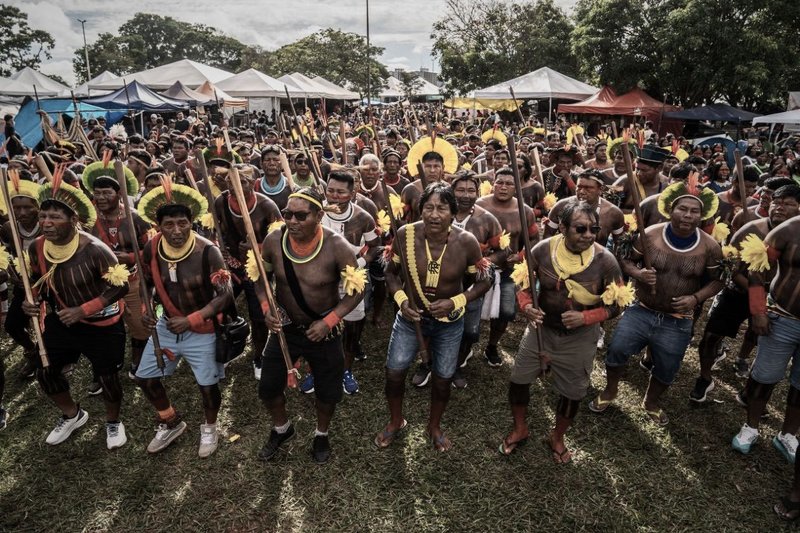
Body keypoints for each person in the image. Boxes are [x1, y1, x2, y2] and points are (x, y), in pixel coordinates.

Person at [501, 201, 629, 462]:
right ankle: (520, 428)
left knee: (573, 393)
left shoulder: (606, 261)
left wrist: (586, 317)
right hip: (541, 331)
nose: (589, 235)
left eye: (594, 229)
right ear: (562, 228)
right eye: (580, 229)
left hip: (580, 338)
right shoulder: (541, 251)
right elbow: (523, 286)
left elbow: (618, 305)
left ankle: (557, 437)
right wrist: (526, 306)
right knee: (518, 381)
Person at [590, 178, 723, 425]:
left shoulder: (710, 247)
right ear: (670, 209)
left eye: (694, 211)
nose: (687, 215)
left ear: (702, 215)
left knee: (668, 366)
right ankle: (610, 390)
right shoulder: (649, 235)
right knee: (617, 349)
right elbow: (626, 260)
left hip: (678, 319)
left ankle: (651, 401)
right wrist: (638, 273)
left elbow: (717, 281)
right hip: (641, 309)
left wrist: (695, 298)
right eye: (682, 209)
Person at [376, 183, 491, 451]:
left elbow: (483, 282)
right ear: (420, 210)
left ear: (453, 212)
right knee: (394, 372)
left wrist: (456, 301)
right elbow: (390, 273)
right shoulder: (404, 235)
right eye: (428, 207)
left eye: (442, 208)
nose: (434, 215)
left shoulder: (466, 242)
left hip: (449, 323)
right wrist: (402, 301)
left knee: (443, 377)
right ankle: (396, 421)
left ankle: (434, 426)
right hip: (409, 319)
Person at [257, 187, 366, 464]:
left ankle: (321, 434)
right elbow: (259, 277)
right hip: (285, 329)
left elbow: (357, 291)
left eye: (300, 216)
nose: (292, 221)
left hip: (324, 332)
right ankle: (282, 429)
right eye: (287, 214)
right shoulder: (273, 240)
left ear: (319, 215)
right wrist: (267, 308)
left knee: (328, 392)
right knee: (268, 387)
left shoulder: (337, 246)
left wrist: (329, 322)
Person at [23, 180, 130, 449]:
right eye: (43, 216)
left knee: (107, 377)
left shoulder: (95, 249)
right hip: (62, 322)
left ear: (73, 219)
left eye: (55, 217)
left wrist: (84, 309)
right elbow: (34, 280)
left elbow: (121, 286)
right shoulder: (36, 247)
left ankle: (113, 422)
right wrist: (31, 302)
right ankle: (72, 415)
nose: (46, 222)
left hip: (103, 323)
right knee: (45, 371)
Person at [134, 181, 234, 458]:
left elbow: (226, 295)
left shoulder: (207, 251)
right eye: (169, 224)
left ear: (192, 222)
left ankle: (210, 427)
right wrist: (148, 310)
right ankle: (170, 421)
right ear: (158, 225)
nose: (176, 231)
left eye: (182, 223)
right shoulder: (152, 248)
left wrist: (191, 319)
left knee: (207, 386)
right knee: (145, 378)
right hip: (166, 326)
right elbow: (147, 282)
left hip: (203, 330)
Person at [693, 184, 800, 401]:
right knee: (711, 335)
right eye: (776, 202)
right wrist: (754, 290)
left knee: (756, 336)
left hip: (775, 302)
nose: (780, 208)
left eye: (788, 204)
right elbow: (730, 268)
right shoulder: (751, 229)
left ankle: (743, 363)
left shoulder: (795, 235)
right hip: (737, 291)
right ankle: (704, 378)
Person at [731, 195, 800, 463]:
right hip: (782, 318)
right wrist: (759, 311)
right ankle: (751, 427)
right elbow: (756, 269)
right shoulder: (789, 230)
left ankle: (788, 434)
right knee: (764, 377)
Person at [298, 172, 380, 395]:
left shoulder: (364, 217)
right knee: (316, 326)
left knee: (352, 329)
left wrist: (358, 265)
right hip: (318, 282)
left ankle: (346, 370)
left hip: (351, 282)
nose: (333, 196)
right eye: (330, 190)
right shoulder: (314, 213)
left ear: (352, 194)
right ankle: (314, 371)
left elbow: (375, 246)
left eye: (340, 192)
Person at [82, 161, 153, 381]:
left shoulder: (135, 217)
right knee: (104, 328)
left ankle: (138, 359)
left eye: (106, 193)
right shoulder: (89, 220)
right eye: (97, 193)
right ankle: (106, 365)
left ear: (119, 194)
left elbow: (152, 250)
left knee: (140, 326)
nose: (101, 198)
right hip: (100, 286)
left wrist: (131, 257)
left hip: (132, 281)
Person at [213, 163, 282, 380]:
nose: (235, 186)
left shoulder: (267, 206)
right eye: (230, 182)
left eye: (241, 181)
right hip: (230, 266)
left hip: (258, 268)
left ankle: (259, 356)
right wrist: (218, 248)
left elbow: (281, 240)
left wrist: (257, 247)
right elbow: (213, 228)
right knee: (218, 308)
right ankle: (225, 351)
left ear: (252, 183)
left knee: (259, 315)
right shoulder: (221, 201)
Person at [475, 168, 538, 367]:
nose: (503, 187)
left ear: (517, 187)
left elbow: (534, 238)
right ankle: (465, 344)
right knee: (469, 308)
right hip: (477, 269)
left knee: (506, 311)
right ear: (493, 183)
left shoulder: (524, 211)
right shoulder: (479, 206)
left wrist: (520, 255)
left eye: (509, 184)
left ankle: (492, 346)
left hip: (508, 270)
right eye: (499, 182)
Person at [449, 172, 504, 388]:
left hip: (472, 286)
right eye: (460, 190)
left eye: (471, 190)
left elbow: (503, 251)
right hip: (441, 283)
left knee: (470, 332)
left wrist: (482, 262)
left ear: (478, 192)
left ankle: (457, 363)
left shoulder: (487, 219)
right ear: (452, 191)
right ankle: (431, 363)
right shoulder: (440, 213)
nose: (465, 195)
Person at [0, 177, 42, 381]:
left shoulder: (47, 224)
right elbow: (9, 252)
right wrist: (12, 270)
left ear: (37, 206)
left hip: (49, 281)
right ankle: (33, 351)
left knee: (53, 324)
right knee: (12, 325)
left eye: (27, 207)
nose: (22, 213)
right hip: (24, 283)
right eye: (17, 208)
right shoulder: (9, 227)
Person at [545, 169, 624, 246]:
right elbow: (547, 238)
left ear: (601, 189)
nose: (582, 192)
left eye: (588, 188)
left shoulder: (613, 213)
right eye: (579, 187)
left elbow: (619, 246)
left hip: (597, 258)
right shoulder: (561, 207)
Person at [611, 145, 671, 213]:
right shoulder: (623, 181)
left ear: (659, 168)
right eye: (637, 169)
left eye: (644, 170)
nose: (639, 173)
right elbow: (608, 208)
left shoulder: (667, 185)